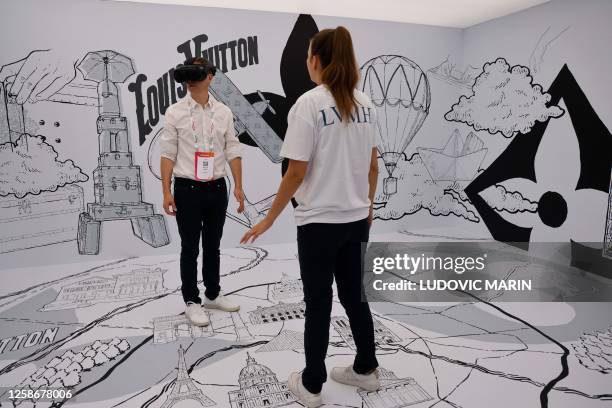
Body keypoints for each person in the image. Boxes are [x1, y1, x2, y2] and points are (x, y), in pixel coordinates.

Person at [241, 27, 380, 407]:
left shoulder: (308, 104)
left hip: (319, 224)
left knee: (319, 302)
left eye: (308, 56)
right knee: (356, 298)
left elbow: (296, 172)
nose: (307, 62)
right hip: (355, 221)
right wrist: (367, 206)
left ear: (316, 60)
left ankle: (313, 385)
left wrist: (268, 219)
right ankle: (366, 370)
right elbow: (373, 166)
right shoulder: (364, 102)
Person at [161, 57, 245, 327]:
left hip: (217, 187)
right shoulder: (174, 112)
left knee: (213, 245)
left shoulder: (224, 112)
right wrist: (166, 191)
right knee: (189, 248)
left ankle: (213, 293)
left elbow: (233, 148)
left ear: (211, 76)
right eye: (188, 73)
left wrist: (239, 186)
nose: (192, 78)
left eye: (198, 72)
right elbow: (167, 154)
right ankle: (191, 301)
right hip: (187, 188)